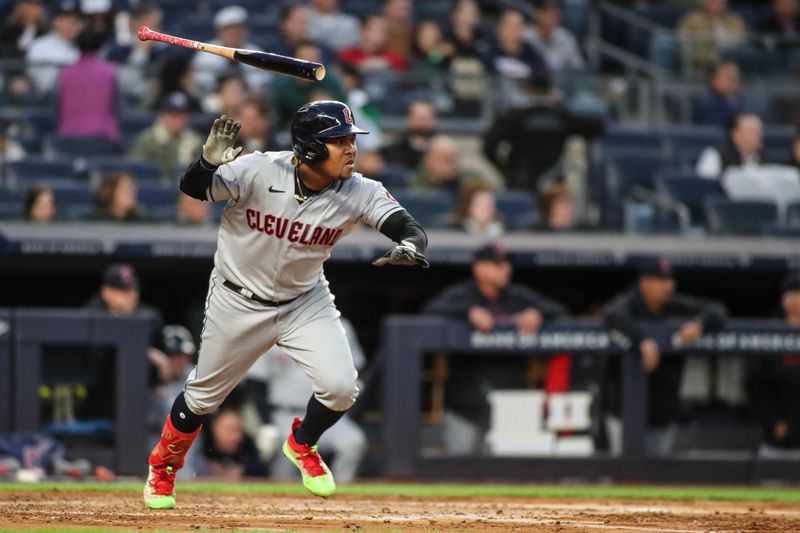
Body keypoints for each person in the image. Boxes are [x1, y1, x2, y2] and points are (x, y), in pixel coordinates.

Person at [143, 100, 429, 509]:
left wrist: (408, 245)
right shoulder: (259, 169)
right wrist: (206, 162)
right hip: (237, 299)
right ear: (310, 147)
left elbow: (408, 225)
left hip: (303, 300)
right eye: (339, 141)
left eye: (351, 140)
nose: (351, 148)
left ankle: (301, 443)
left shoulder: (358, 189)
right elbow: (194, 189)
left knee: (342, 388)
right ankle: (163, 466)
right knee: (202, 398)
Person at [422, 242, 569, 453]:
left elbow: (560, 311)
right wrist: (467, 312)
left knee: (504, 471)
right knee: (459, 468)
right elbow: (429, 311)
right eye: (496, 264)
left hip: (509, 404)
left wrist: (538, 313)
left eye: (506, 264)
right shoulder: (463, 295)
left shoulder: (518, 296)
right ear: (478, 267)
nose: (505, 269)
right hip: (465, 402)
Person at [603, 257, 728, 456]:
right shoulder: (629, 304)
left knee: (657, 479)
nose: (668, 286)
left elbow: (718, 310)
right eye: (660, 280)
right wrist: (642, 340)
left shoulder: (675, 306)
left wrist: (700, 324)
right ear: (644, 283)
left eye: (669, 280)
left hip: (662, 414)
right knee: (625, 476)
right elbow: (612, 314)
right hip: (624, 412)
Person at [246, 317, 368, 482]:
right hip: (284, 414)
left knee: (353, 442)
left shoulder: (339, 324)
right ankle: (282, 502)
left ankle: (340, 494)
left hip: (326, 413)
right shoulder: (270, 325)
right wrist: (266, 424)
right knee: (283, 464)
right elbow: (257, 383)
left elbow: (355, 368)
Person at [483, 71, 604, 193]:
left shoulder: (515, 116)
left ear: (528, 90)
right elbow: (596, 126)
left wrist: (503, 167)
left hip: (521, 179)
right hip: (551, 180)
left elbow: (489, 145)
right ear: (550, 91)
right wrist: (561, 106)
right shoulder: (561, 117)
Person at [748, 271, 800, 458]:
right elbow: (754, 384)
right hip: (776, 444)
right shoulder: (768, 334)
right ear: (786, 300)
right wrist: (773, 420)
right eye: (798, 294)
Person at [56, 28, 120, 143]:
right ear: (100, 46)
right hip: (103, 137)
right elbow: (118, 107)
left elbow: (55, 108)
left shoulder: (65, 73)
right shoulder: (110, 72)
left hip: (69, 137)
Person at [191, 5, 271, 96]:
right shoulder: (207, 52)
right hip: (213, 99)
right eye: (230, 30)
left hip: (247, 101)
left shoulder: (255, 52)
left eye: (239, 29)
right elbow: (201, 84)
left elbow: (261, 84)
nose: (235, 33)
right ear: (220, 32)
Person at [130, 92, 205, 183]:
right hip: (155, 191)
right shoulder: (147, 140)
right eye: (173, 114)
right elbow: (137, 170)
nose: (178, 119)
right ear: (162, 116)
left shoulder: (196, 141)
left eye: (183, 114)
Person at [25, 0, 83, 95]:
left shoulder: (86, 47)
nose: (71, 23)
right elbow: (42, 84)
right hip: (49, 102)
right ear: (53, 21)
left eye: (75, 18)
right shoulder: (39, 46)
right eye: (64, 18)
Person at [677, 0, 747, 78]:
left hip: (730, 68)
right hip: (700, 68)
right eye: (715, 1)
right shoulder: (691, 20)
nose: (720, 3)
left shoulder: (735, 21)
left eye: (722, 2)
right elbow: (683, 46)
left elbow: (742, 43)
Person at [480, 7, 547, 82]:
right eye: (511, 26)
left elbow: (541, 72)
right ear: (499, 29)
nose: (515, 31)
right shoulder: (488, 51)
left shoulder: (530, 52)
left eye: (519, 27)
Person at [199, 407, 268, 479]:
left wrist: (242, 471)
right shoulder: (201, 445)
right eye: (229, 430)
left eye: (238, 430)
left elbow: (262, 470)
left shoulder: (247, 445)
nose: (236, 437)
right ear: (214, 429)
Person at [696, 111, 763, 179]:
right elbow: (706, 185)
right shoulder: (715, 156)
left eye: (759, 130)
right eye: (752, 131)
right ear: (735, 134)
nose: (758, 135)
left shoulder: (767, 161)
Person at [526, 0, 585, 71]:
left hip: (560, 79)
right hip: (532, 80)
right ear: (538, 14)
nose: (551, 17)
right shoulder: (525, 35)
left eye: (555, 14)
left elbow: (579, 69)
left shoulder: (566, 38)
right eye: (547, 12)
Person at [338, 13, 408, 73]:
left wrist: (384, 63)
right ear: (363, 31)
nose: (383, 35)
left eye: (385, 31)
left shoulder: (395, 57)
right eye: (378, 30)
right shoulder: (347, 55)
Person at [380, 99, 437, 172]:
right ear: (409, 119)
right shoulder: (391, 151)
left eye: (425, 118)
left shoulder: (443, 152)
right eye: (418, 118)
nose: (422, 123)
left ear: (434, 120)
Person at [692, 61, 741, 128]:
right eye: (728, 77)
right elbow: (713, 134)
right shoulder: (709, 105)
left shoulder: (738, 101)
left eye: (735, 77)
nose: (734, 81)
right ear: (713, 79)